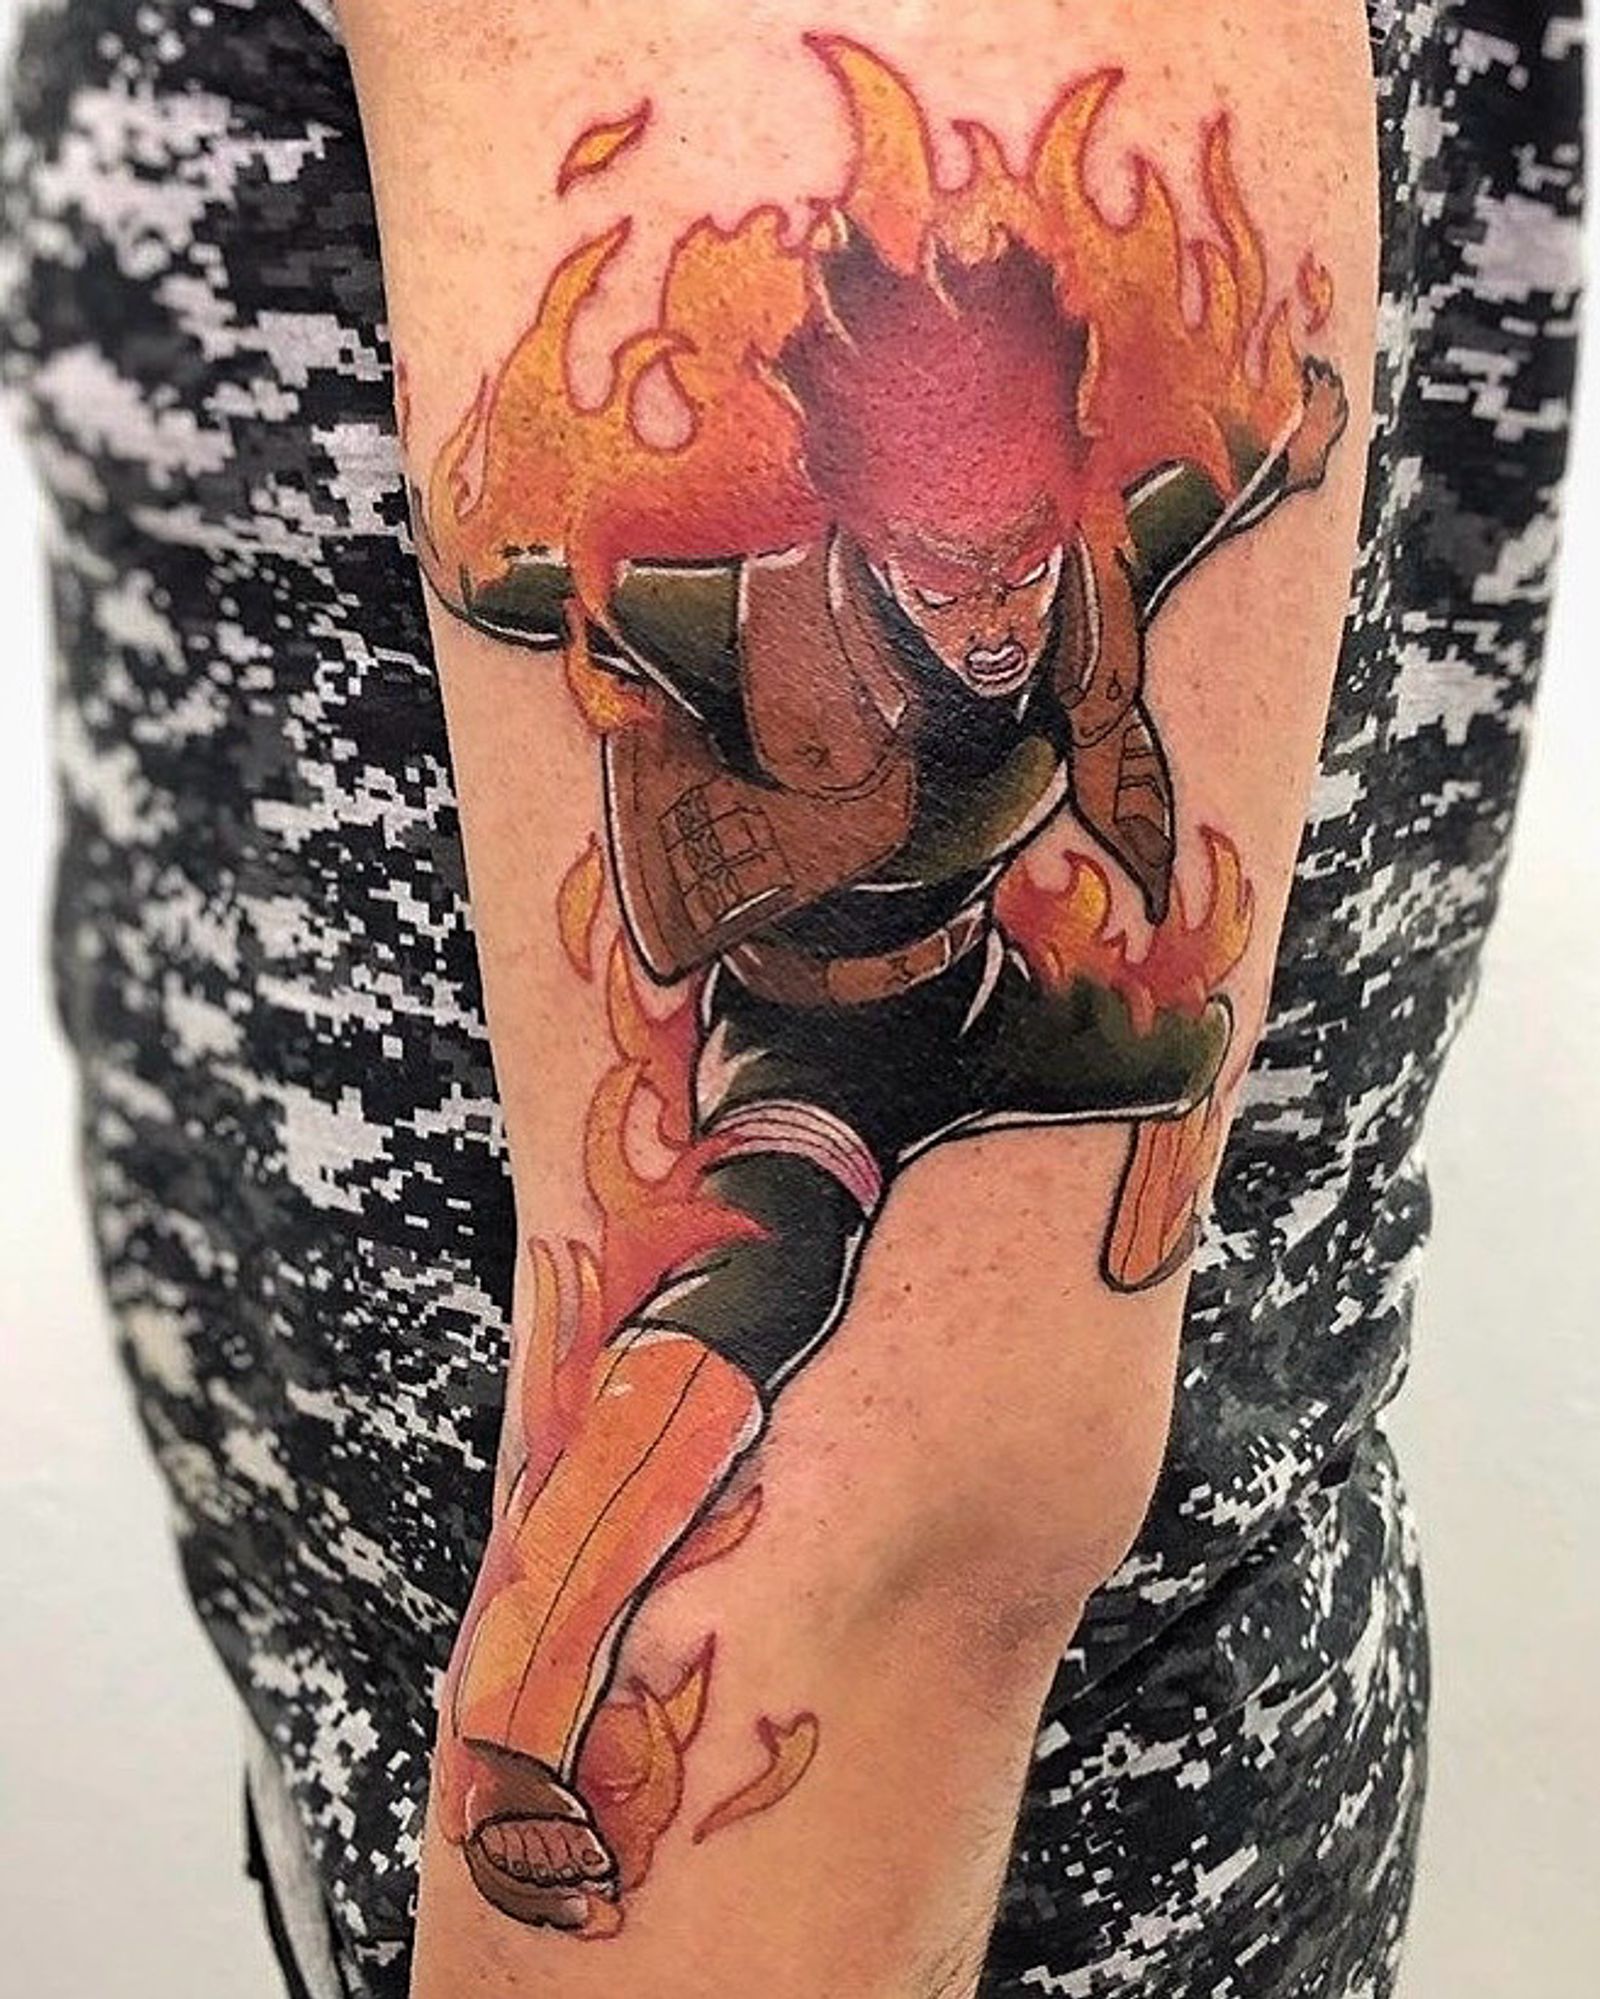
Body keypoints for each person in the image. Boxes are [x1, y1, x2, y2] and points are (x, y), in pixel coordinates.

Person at [0, 1, 1583, 1994]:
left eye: (1019, 561)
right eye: (942, 569)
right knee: (743, 1302)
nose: (990, 615)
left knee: (1150, 1056)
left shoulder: (1083, 560)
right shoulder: (737, 614)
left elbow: (875, 1539)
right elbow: (542, 584)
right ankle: (534, 1707)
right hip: (816, 1036)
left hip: (934, 1889)